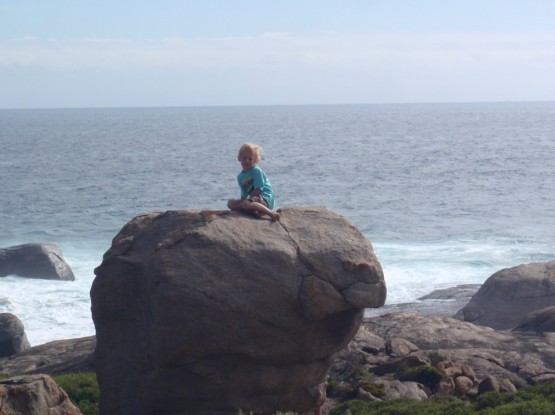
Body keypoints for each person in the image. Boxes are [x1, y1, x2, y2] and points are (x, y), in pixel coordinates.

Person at [227, 143, 280, 221]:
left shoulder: (256, 171)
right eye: (244, 158)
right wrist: (241, 201)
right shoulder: (240, 177)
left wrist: (246, 201)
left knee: (246, 203)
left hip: (264, 198)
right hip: (253, 200)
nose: (246, 161)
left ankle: (271, 214)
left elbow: (259, 189)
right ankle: (253, 211)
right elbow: (244, 193)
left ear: (255, 160)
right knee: (230, 203)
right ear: (239, 158)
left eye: (250, 159)